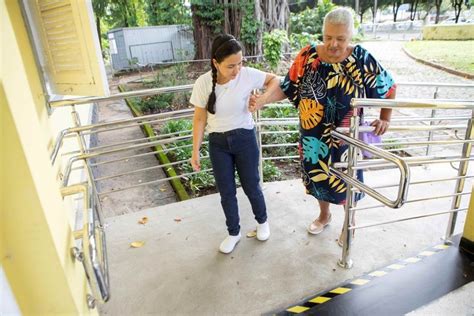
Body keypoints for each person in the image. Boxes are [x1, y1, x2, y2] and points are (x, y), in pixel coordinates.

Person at [249, 7, 396, 243]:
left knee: (349, 180)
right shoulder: (308, 56)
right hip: (313, 135)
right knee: (317, 178)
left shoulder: (361, 59)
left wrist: (385, 118)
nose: (333, 44)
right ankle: (324, 215)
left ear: (351, 36)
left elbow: (389, 88)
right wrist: (264, 99)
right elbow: (287, 87)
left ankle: (350, 222)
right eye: (328, 37)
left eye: (340, 39)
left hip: (348, 136)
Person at [190, 34, 280, 254]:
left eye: (240, 63)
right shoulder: (203, 83)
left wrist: (262, 99)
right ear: (215, 63)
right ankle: (233, 232)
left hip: (244, 138)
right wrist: (195, 151)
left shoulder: (247, 75)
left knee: (252, 185)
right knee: (226, 192)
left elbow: (275, 79)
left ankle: (262, 222)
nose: (237, 70)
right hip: (218, 144)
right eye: (231, 66)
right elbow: (200, 119)